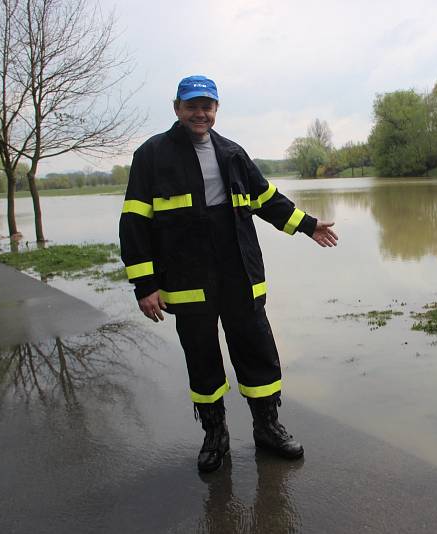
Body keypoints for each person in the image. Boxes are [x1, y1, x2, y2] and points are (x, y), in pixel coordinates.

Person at [119, 75, 338, 473]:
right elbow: (134, 223)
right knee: (202, 359)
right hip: (187, 280)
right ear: (177, 109)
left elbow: (266, 198)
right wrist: (145, 285)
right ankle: (215, 435)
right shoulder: (150, 156)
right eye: (192, 106)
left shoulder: (233, 153)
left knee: (257, 350)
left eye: (208, 106)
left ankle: (267, 427)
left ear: (216, 109)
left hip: (239, 273)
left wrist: (308, 225)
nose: (200, 113)